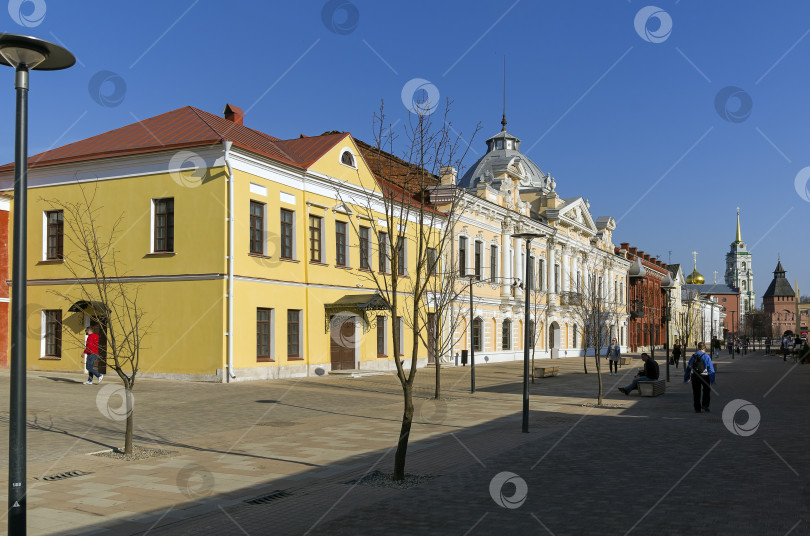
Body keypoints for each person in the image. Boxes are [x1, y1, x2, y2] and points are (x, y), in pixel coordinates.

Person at [684, 342, 716, 413]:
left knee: (696, 392)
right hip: (705, 376)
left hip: (695, 376)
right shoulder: (706, 356)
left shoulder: (693, 356)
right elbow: (710, 369)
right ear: (704, 348)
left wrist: (687, 378)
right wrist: (712, 379)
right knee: (706, 391)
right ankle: (705, 405)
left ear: (698, 348)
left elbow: (688, 368)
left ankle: (697, 408)